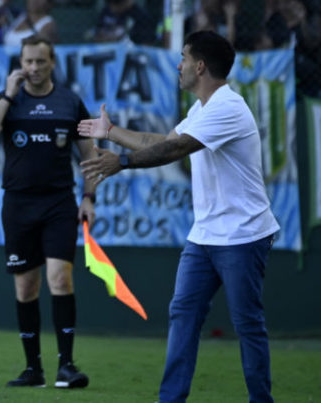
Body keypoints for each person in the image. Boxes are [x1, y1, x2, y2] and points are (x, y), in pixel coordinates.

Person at [78, 31, 279, 403]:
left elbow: (177, 149)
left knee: (247, 324)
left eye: (184, 57)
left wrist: (120, 162)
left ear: (199, 66)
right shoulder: (201, 109)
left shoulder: (228, 108)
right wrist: (112, 134)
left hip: (243, 236)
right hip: (204, 238)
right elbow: (162, 142)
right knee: (182, 315)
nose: (179, 65)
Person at [0, 35, 97, 389]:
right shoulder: (10, 101)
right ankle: (33, 369)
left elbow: (88, 155)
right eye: (28, 62)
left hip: (59, 203)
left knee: (60, 278)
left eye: (40, 62)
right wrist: (8, 93)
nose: (34, 68)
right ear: (20, 64)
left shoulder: (69, 102)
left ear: (52, 62)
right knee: (26, 287)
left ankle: (67, 366)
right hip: (18, 204)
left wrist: (89, 198)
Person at [87, 0, 157, 45]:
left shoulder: (142, 17)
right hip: (105, 56)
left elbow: (146, 48)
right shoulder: (107, 10)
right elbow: (95, 36)